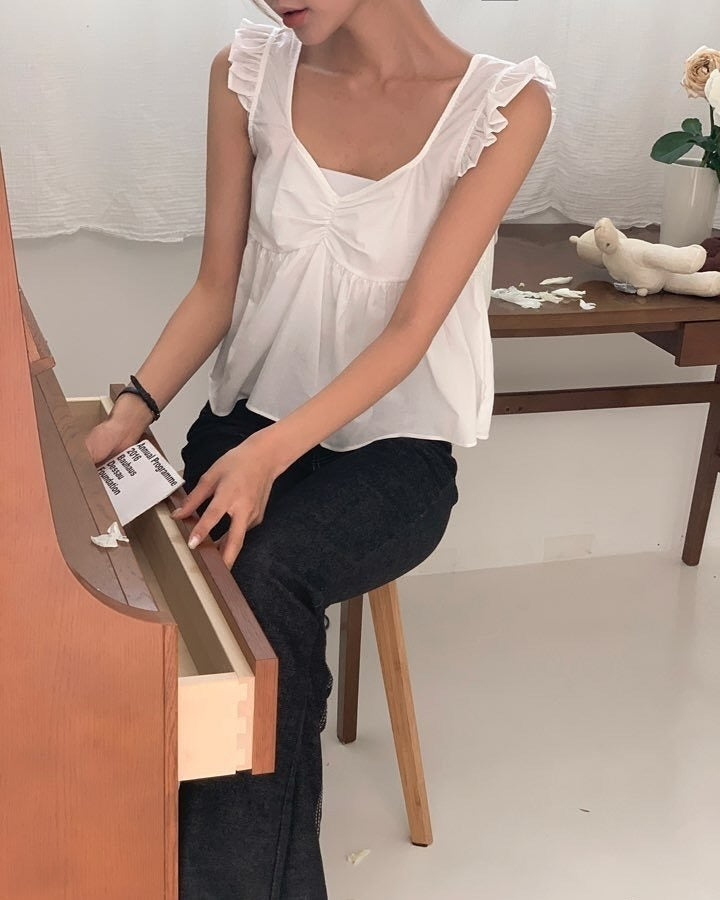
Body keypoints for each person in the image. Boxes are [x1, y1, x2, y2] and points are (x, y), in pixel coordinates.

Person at [85, 0, 556, 896]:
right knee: (218, 594)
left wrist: (273, 456)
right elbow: (216, 286)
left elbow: (412, 330)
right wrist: (135, 408)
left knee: (262, 577)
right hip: (245, 423)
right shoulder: (246, 74)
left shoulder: (504, 107)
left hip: (397, 450)